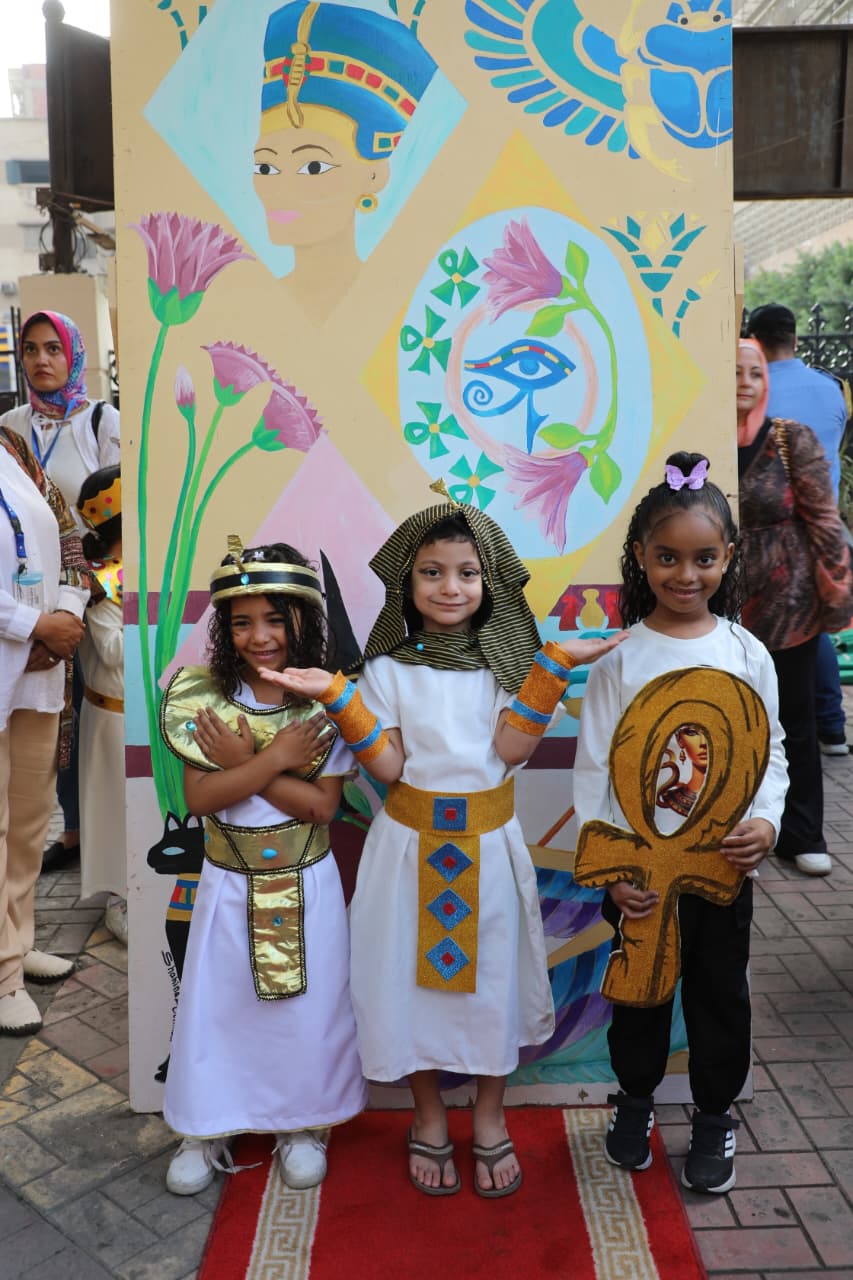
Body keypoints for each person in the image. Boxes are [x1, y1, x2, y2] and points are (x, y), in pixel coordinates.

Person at [262, 496, 623, 1197]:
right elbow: (390, 767)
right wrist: (339, 694)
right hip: (405, 853)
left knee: (492, 985)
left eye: (466, 572)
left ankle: (489, 1116)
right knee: (407, 987)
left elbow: (511, 750)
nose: (450, 587)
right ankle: (427, 1116)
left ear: (490, 579)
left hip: (490, 854)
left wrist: (551, 664)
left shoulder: (509, 666)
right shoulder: (388, 670)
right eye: (431, 572)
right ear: (407, 581)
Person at [573, 451, 787, 1194]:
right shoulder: (619, 659)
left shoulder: (745, 653)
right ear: (640, 556)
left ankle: (714, 1114)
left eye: (703, 558)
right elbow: (595, 769)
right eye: (667, 557)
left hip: (721, 868)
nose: (685, 574)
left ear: (728, 556)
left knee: (718, 993)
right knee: (639, 990)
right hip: (640, 872)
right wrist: (615, 867)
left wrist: (766, 822)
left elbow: (771, 751)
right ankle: (633, 1102)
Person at [159, 540, 366, 1196]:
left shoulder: (324, 700)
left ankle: (301, 1124)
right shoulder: (202, 697)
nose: (260, 636)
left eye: (276, 619)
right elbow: (200, 799)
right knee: (219, 1005)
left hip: (307, 884)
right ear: (224, 627)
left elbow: (321, 808)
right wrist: (273, 759)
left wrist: (247, 762)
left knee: (305, 1010)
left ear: (303, 620)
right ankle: (208, 1124)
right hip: (227, 885)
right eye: (242, 622)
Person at [0, 310, 120, 874]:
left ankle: (101, 833)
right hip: (27, 601)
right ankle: (71, 833)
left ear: (73, 356)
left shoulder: (101, 421)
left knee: (92, 712)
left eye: (53, 349)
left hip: (91, 593)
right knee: (47, 714)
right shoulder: (11, 426)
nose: (41, 360)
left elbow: (120, 515)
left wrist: (82, 598)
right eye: (30, 349)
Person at [737, 338, 852, 876]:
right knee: (731, 715)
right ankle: (740, 831)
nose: (744, 382)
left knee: (793, 719)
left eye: (755, 373)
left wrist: (836, 593)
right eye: (734, 372)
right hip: (718, 604)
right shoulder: (697, 441)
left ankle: (802, 832)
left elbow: (824, 518)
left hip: (789, 604)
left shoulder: (789, 438)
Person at [254, 1, 437, 318]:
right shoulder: (250, 307)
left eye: (313, 167)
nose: (280, 189)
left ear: (375, 175)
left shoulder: (402, 305)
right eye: (266, 167)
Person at [0, 422, 90, 1035]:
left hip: (37, 672)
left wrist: (65, 615)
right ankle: (2, 974)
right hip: (20, 648)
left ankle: (19, 937)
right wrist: (31, 626)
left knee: (30, 820)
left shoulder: (12, 449)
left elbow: (69, 540)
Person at [746, 303, 850, 757]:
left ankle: (792, 732)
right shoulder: (833, 389)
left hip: (778, 532)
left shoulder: (757, 393)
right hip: (824, 528)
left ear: (755, 342)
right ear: (794, 337)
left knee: (790, 638)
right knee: (813, 631)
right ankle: (833, 727)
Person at [76, 466, 127, 943]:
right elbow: (112, 652)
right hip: (111, 714)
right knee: (112, 806)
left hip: (133, 714)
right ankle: (119, 896)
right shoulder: (103, 583)